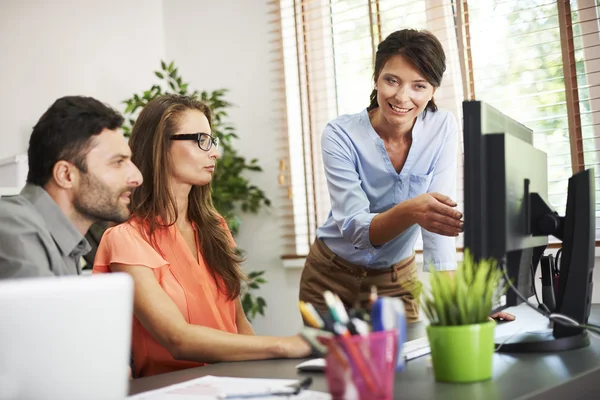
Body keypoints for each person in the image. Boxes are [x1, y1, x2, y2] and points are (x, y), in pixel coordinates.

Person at [299, 29, 514, 323]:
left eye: (419, 86)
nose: (402, 97)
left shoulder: (442, 128)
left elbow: (438, 224)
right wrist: (413, 210)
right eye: (392, 80)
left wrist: (460, 309)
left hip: (395, 279)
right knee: (335, 367)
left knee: (405, 367)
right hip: (330, 276)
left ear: (433, 90)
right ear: (377, 78)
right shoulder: (340, 134)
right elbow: (354, 228)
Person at [93, 94, 311, 378]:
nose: (214, 153)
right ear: (161, 146)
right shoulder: (124, 239)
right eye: (200, 140)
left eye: (212, 140)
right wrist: (286, 346)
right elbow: (178, 339)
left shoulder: (214, 227)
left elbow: (239, 323)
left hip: (234, 385)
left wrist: (263, 378)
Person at [0, 96, 143, 279]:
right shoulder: (15, 230)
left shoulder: (68, 243)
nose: (137, 178)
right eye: (118, 162)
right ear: (66, 175)